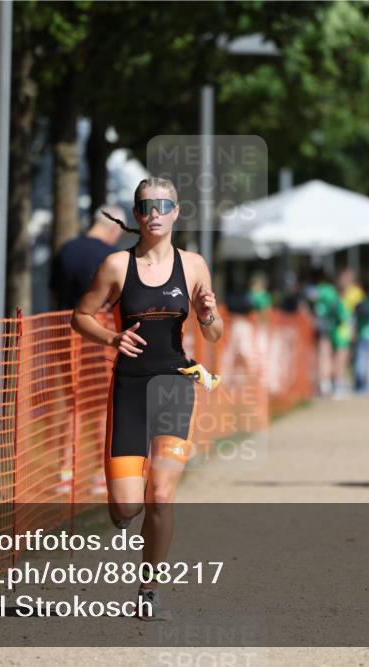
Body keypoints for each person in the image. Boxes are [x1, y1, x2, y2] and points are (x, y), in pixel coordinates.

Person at [70, 177, 222, 620]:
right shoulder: (116, 265)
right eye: (144, 205)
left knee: (162, 494)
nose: (153, 212)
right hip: (131, 388)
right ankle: (123, 510)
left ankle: (149, 589)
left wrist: (209, 313)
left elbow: (214, 333)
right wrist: (111, 337)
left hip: (175, 383)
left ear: (176, 211)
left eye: (162, 204)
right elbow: (80, 316)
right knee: (127, 506)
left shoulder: (193, 265)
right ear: (136, 215)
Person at [51, 205, 126, 310]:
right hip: (98, 323)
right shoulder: (113, 257)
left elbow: (54, 290)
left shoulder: (66, 248)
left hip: (63, 322)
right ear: (115, 228)